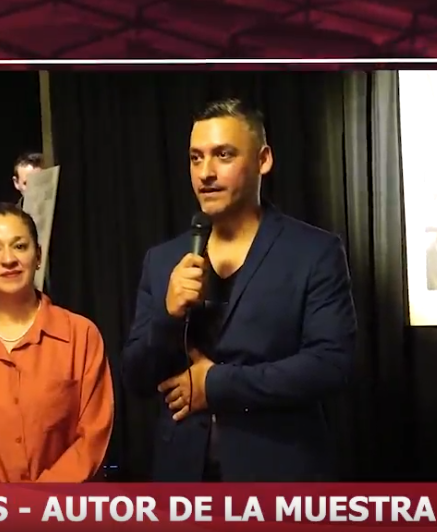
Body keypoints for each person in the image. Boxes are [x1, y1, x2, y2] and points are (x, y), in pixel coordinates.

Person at [121, 98, 357, 482]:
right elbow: (136, 378)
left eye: (223, 155)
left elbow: (330, 366)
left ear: (263, 160)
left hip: (279, 478)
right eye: (196, 158)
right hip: (183, 481)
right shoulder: (163, 260)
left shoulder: (314, 252)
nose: (206, 173)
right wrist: (167, 315)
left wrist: (215, 385)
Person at [0, 203, 113, 482]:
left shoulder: (81, 336)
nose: (8, 259)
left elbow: (92, 437)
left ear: (37, 255)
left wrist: (36, 501)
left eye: (19, 246)